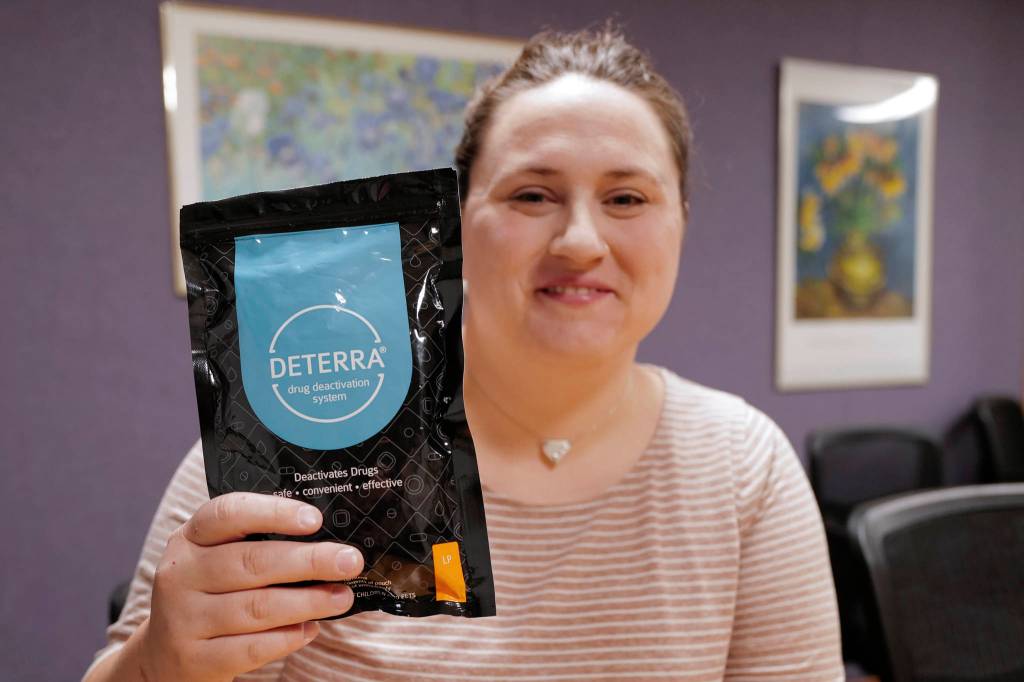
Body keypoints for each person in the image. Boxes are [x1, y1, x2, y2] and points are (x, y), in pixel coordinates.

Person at [86, 25, 843, 681]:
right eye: (531, 196)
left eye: (627, 199)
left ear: (681, 221)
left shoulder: (745, 468)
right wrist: (163, 660)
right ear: (453, 226)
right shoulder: (297, 446)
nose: (581, 241)